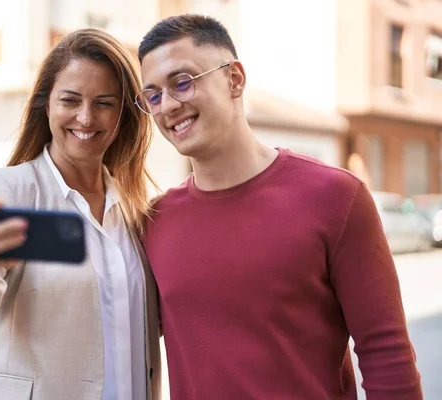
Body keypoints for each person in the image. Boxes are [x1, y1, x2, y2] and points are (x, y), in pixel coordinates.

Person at [136, 14, 422, 400]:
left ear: (234, 79)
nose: (167, 105)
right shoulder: (156, 221)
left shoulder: (335, 197)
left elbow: (385, 353)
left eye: (182, 83)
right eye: (152, 95)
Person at [0, 28, 161, 400]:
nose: (85, 117)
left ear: (122, 114)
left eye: (104, 103)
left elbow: (136, 323)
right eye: (70, 100)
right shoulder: (7, 192)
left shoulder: (135, 211)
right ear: (46, 105)